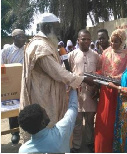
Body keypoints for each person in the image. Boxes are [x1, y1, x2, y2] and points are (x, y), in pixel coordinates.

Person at [20, 13, 93, 143]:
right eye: (57, 27)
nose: (59, 31)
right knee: (46, 128)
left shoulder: (45, 43)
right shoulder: (40, 46)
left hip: (47, 92)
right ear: (48, 27)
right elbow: (57, 72)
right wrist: (82, 79)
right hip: (43, 96)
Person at [94, 29, 127, 153]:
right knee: (103, 120)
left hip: (118, 91)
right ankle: (101, 148)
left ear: (122, 42)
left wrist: (114, 78)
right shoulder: (105, 53)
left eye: (116, 42)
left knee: (115, 121)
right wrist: (95, 76)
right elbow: (100, 69)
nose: (113, 44)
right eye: (112, 41)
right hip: (105, 90)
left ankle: (113, 148)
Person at [68, 29, 100, 153]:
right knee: (77, 121)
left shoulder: (96, 55)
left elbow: (98, 72)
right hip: (76, 92)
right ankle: (76, 145)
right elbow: (68, 73)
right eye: (83, 39)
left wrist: (97, 88)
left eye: (88, 39)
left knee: (90, 121)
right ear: (78, 40)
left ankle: (89, 143)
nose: (86, 41)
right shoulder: (72, 55)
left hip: (91, 93)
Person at [1, 28, 26, 144]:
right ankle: (15, 133)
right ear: (13, 38)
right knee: (12, 108)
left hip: (26, 82)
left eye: (23, 36)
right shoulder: (6, 51)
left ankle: (26, 130)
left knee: (26, 106)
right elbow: (2, 68)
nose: (23, 39)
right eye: (20, 37)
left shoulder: (27, 49)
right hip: (12, 84)